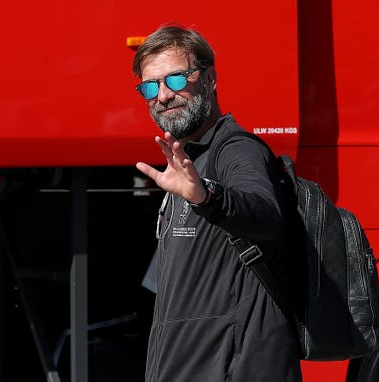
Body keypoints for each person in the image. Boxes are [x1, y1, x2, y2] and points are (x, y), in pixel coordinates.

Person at [133, 25, 302, 381]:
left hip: (233, 368)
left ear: (208, 80)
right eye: (150, 86)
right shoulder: (189, 161)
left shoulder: (237, 150)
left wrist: (208, 197)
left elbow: (266, 215)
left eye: (176, 79)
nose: (163, 96)